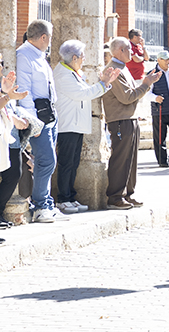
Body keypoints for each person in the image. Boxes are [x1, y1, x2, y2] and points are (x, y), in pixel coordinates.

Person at [52, 40, 114, 212]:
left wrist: (103, 83)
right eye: (82, 56)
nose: (84, 58)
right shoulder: (63, 75)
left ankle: (70, 196)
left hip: (76, 124)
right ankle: (63, 198)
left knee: (73, 163)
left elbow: (85, 90)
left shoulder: (73, 72)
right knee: (66, 163)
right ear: (74, 57)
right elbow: (83, 94)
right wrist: (103, 84)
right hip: (68, 125)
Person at [104, 36, 162, 209]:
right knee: (121, 159)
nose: (133, 51)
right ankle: (115, 196)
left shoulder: (123, 68)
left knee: (131, 160)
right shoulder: (114, 70)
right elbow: (127, 97)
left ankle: (128, 194)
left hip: (130, 118)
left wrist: (146, 83)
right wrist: (146, 84)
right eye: (129, 48)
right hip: (120, 120)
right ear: (120, 50)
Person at [17, 19, 62, 221]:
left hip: (49, 115)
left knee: (49, 162)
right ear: (44, 37)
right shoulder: (24, 55)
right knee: (46, 161)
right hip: (38, 118)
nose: (50, 41)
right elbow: (25, 91)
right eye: (50, 37)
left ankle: (47, 203)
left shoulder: (39, 56)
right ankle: (40, 206)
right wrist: (34, 123)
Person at [1, 60, 29, 230]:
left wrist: (6, 93)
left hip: (7, 137)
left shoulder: (3, 84)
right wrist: (7, 96)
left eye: (1, 62)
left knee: (13, 174)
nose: (1, 66)